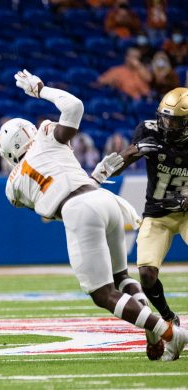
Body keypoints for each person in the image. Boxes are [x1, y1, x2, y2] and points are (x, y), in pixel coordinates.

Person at [0, 69, 188, 362]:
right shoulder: (48, 135)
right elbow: (74, 106)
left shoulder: (11, 187)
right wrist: (40, 89)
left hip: (77, 209)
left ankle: (168, 332)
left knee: (103, 294)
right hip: (103, 199)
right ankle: (153, 332)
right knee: (122, 278)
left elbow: (42, 202)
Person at [98, 87, 188, 357]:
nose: (167, 125)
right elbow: (119, 164)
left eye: (175, 121)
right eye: (165, 118)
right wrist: (134, 150)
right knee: (146, 276)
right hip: (158, 213)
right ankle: (169, 318)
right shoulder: (148, 131)